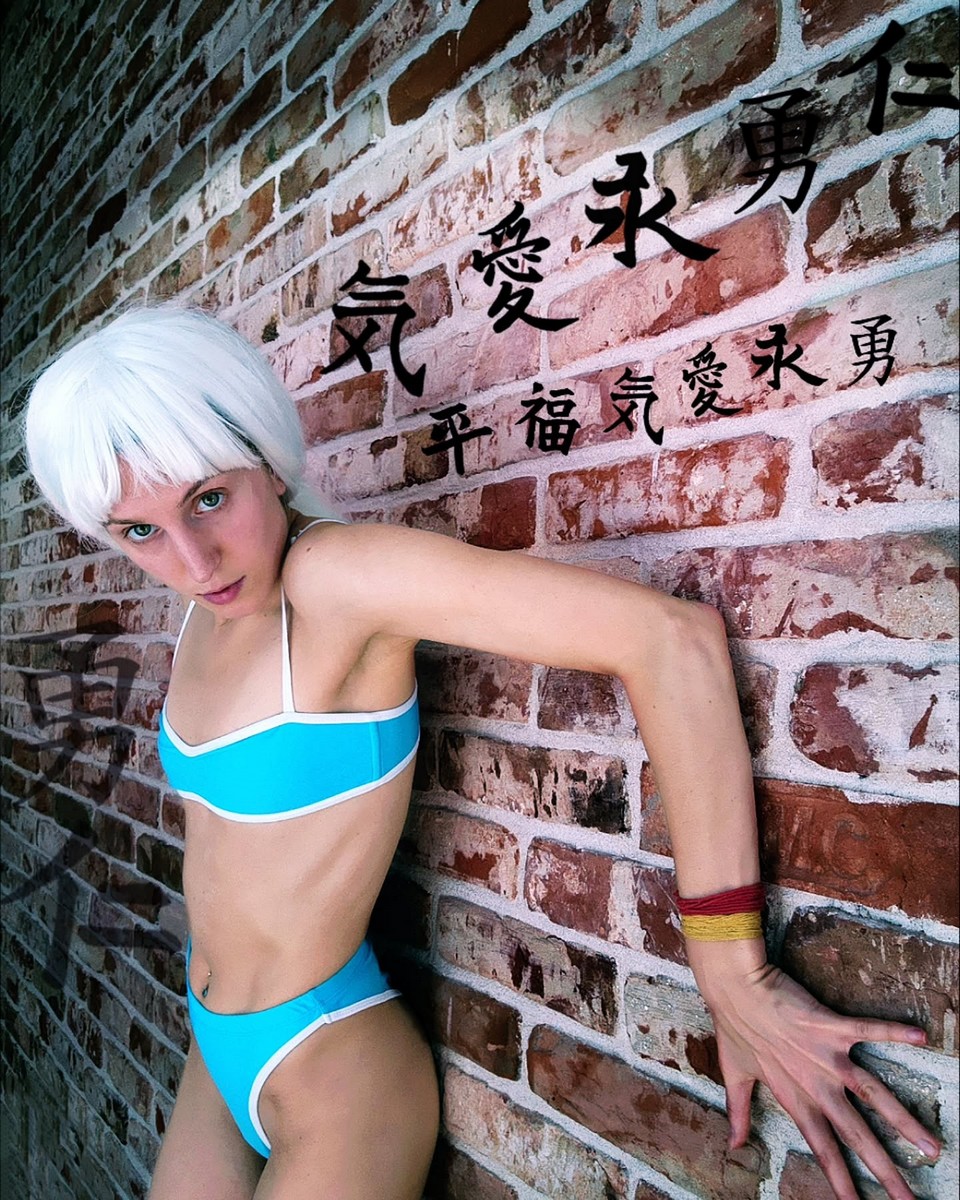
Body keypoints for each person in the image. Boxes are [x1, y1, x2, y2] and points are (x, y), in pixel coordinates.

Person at [24, 305, 941, 1200]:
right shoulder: (206, 609)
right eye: (141, 532)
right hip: (212, 1044)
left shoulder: (337, 579)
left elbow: (672, 641)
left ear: (263, 457)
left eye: (209, 499)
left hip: (327, 1069)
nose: (193, 561)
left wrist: (730, 970)